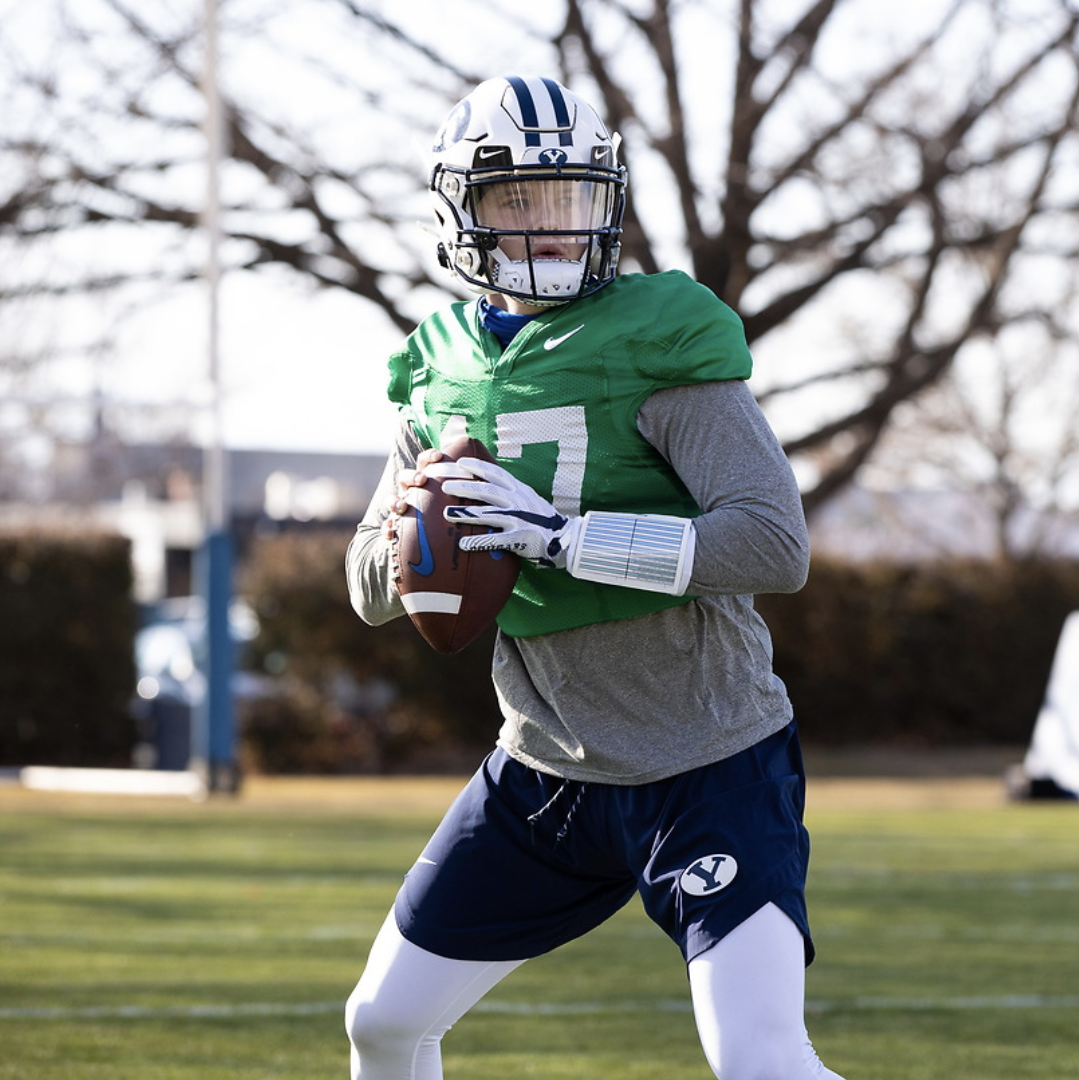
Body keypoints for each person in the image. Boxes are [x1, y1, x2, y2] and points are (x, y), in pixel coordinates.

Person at [342, 75, 847, 1080]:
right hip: (542, 770)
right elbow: (363, 585)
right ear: (462, 213)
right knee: (384, 1024)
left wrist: (561, 536)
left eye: (569, 196)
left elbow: (771, 544)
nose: (549, 226)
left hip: (708, 760)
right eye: (517, 201)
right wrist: (407, 528)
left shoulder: (658, 335)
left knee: (759, 1059)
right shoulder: (437, 367)